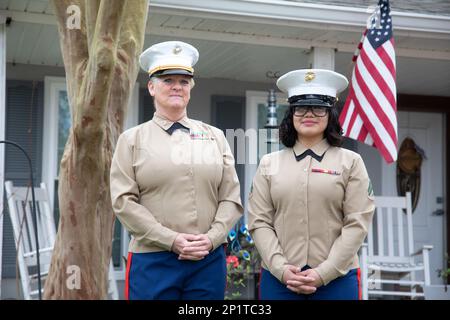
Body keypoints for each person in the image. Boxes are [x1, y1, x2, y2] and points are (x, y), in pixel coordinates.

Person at [110, 41, 243, 300]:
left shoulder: (215, 136)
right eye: (167, 79)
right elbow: (123, 202)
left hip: (208, 260)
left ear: (191, 88)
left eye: (184, 81)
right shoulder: (131, 140)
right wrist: (171, 240)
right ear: (151, 86)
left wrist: (213, 238)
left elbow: (230, 197)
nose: (176, 86)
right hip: (153, 260)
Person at [248, 69, 375, 300]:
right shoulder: (268, 164)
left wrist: (323, 273)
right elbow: (259, 222)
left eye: (318, 107)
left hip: (337, 279)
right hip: (279, 281)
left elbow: (357, 223)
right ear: (291, 113)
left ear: (330, 114)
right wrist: (281, 269)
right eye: (300, 107)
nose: (309, 114)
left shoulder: (352, 162)